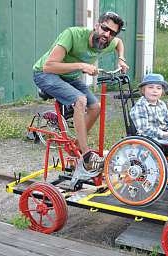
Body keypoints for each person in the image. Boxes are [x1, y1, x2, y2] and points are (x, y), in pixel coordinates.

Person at [32, 11, 129, 164]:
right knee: (80, 100)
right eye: (104, 28)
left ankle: (74, 149)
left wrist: (121, 59)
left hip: (69, 77)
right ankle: (86, 156)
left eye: (112, 32)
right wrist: (82, 65)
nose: (107, 34)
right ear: (96, 25)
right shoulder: (72, 34)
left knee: (96, 107)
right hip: (45, 74)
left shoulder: (109, 42)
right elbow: (48, 66)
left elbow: (119, 43)